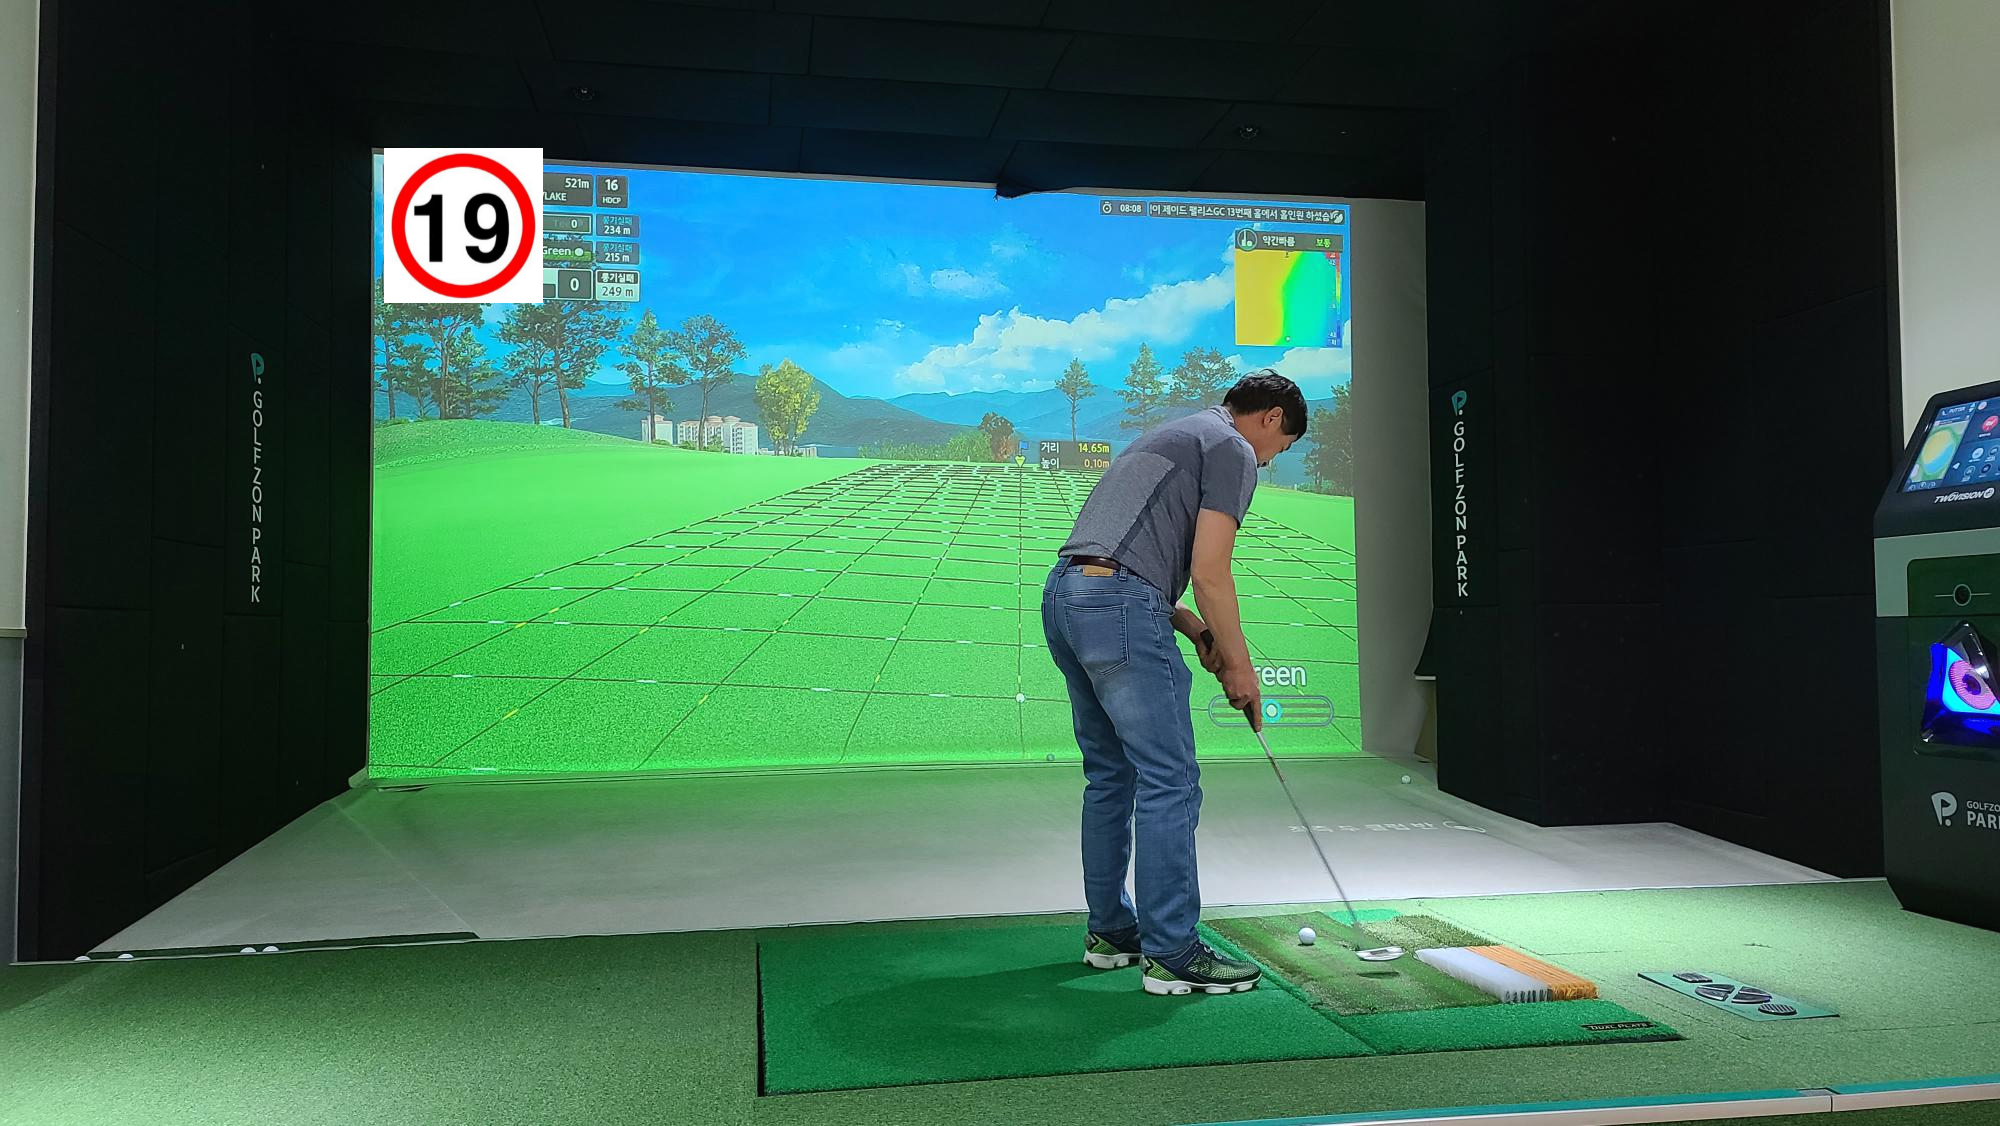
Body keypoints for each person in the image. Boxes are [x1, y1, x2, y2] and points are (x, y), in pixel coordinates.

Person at [1041, 370, 1306, 996]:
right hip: (1118, 606)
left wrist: (1193, 629)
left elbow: (1126, 556)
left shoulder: (1177, 434)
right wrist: (1240, 666)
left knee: (1111, 776)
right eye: (1283, 446)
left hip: (1065, 597)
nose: (1271, 460)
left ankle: (1113, 933)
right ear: (1271, 418)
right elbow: (1210, 571)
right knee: (1170, 779)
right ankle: (1172, 952)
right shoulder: (1233, 447)